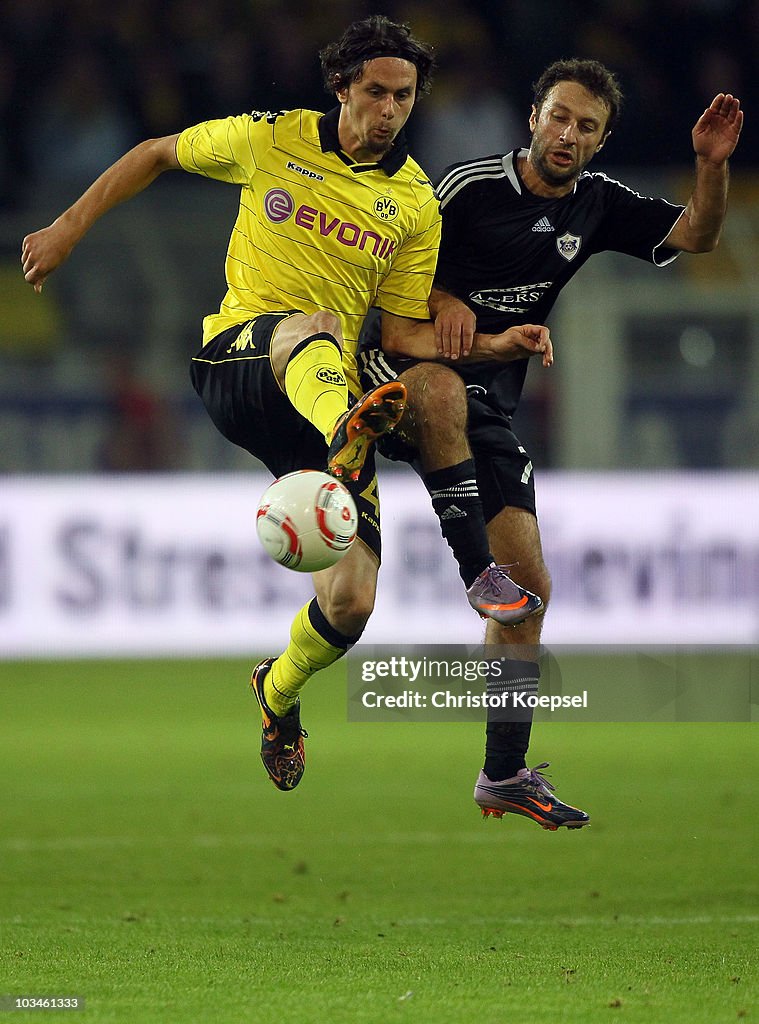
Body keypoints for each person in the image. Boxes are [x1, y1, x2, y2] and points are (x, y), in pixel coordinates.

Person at [21, 15, 549, 795]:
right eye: (375, 91)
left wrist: (494, 346)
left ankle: (277, 691)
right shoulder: (270, 138)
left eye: (403, 96)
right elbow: (155, 153)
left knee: (352, 602)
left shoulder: (411, 203)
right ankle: (364, 443)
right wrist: (68, 228)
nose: (389, 109)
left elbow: (403, 329)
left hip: (319, 402)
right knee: (320, 328)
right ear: (341, 87)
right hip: (239, 359)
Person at [360, 60, 743, 829]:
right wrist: (437, 298)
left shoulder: (597, 206)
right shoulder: (467, 187)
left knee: (527, 593)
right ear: (532, 117)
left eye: (586, 126)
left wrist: (710, 165)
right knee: (456, 515)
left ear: (600, 140)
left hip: (488, 399)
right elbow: (385, 265)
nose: (568, 134)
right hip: (406, 371)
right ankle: (348, 462)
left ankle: (502, 773)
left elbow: (697, 235)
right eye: (559, 117)